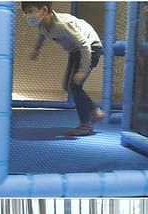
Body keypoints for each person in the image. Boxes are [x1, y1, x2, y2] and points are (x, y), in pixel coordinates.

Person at [21, 2, 105, 136]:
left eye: (30, 11)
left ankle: (86, 125)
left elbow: (84, 45)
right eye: (25, 12)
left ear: (43, 10)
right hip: (75, 51)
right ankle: (95, 111)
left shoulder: (62, 24)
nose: (27, 16)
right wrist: (36, 50)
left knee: (75, 86)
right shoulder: (42, 25)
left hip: (91, 48)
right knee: (68, 86)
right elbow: (42, 35)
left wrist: (83, 70)